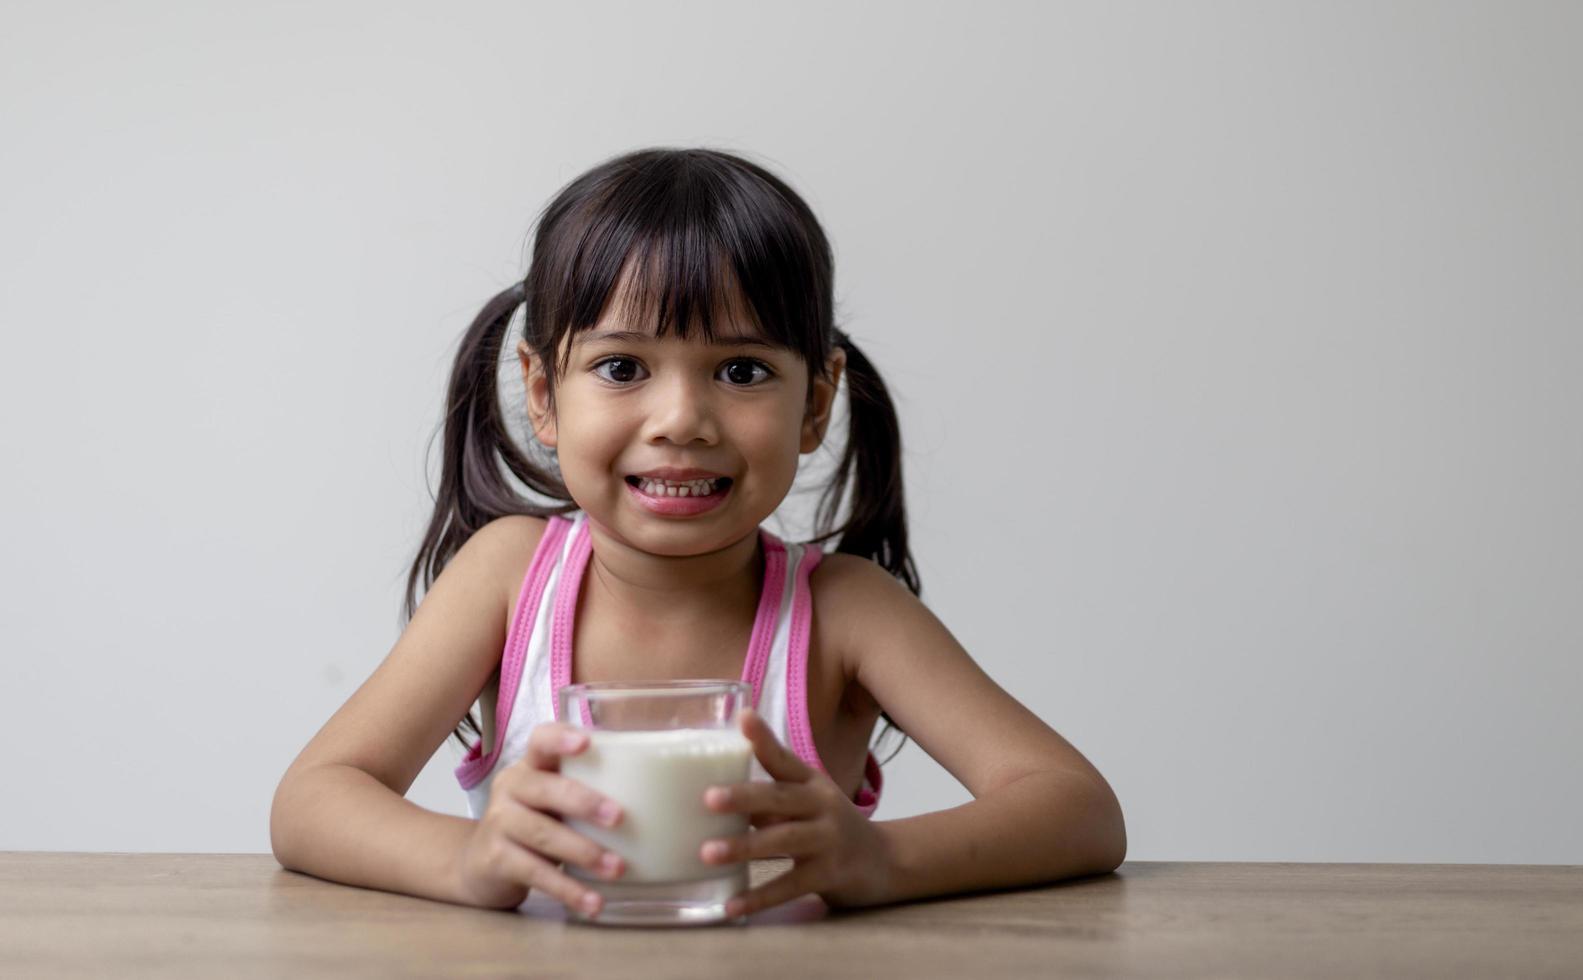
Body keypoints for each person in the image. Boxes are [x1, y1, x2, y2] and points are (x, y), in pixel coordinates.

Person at [270, 147, 1126, 920]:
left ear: (817, 402)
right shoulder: (508, 579)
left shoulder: (849, 614)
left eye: (742, 371)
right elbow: (312, 800)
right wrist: (470, 861)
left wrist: (879, 858)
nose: (682, 419)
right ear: (540, 392)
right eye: (621, 368)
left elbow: (1077, 808)